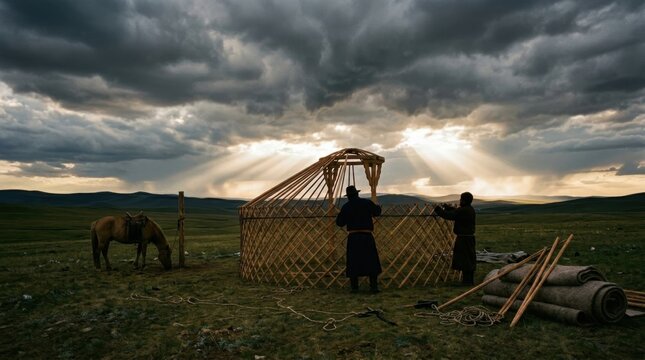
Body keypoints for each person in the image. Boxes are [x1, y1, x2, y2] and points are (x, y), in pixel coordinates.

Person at [336, 185, 382, 293]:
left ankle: (355, 288)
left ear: (348, 196)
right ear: (357, 194)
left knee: (353, 262)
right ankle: (374, 287)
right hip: (366, 237)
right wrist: (378, 206)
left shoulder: (346, 207)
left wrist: (341, 215)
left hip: (354, 238)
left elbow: (339, 223)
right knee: (371, 261)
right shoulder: (366, 203)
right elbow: (377, 212)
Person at [434, 192, 476, 285]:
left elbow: (450, 215)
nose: (460, 201)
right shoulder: (469, 209)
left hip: (464, 239)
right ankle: (468, 281)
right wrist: (448, 208)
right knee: (468, 259)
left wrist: (438, 210)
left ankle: (467, 282)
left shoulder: (464, 210)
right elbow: (456, 211)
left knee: (466, 259)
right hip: (468, 238)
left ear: (464, 201)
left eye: (461, 199)